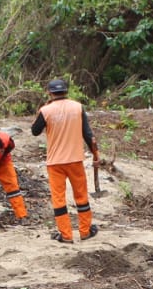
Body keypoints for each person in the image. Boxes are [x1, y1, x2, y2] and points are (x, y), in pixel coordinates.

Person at [30, 78, 100, 243]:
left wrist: (43, 111)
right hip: (75, 160)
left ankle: (66, 235)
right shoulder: (77, 107)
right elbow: (88, 134)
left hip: (55, 163)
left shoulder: (46, 110)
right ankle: (85, 231)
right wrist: (95, 155)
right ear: (66, 91)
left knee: (59, 199)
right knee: (81, 196)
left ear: (50, 92)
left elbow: (35, 131)